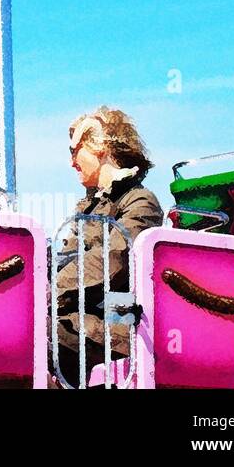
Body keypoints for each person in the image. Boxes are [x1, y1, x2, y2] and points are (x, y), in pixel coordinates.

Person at [54, 108, 163, 387]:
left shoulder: (140, 203)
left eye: (74, 150)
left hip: (112, 330)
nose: (71, 162)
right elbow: (64, 260)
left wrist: (47, 293)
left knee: (29, 332)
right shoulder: (90, 208)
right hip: (79, 320)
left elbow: (111, 261)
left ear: (100, 146)